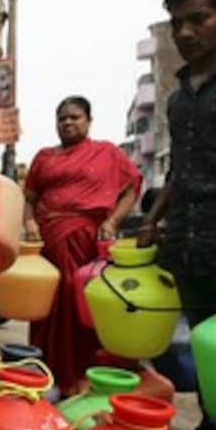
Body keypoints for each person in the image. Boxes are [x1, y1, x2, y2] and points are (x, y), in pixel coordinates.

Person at [137, 0, 216, 430]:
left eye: (198, 18)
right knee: (211, 358)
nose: (186, 32)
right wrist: (153, 219)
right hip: (186, 238)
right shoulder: (178, 96)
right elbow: (177, 170)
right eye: (177, 23)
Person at [23, 96, 141, 393]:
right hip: (47, 241)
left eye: (74, 117)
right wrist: (30, 223)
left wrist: (113, 221)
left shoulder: (107, 153)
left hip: (85, 240)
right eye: (61, 118)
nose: (67, 123)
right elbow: (30, 198)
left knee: (79, 305)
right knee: (46, 305)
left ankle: (78, 377)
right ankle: (44, 371)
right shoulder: (44, 157)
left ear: (89, 120)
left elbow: (132, 187)